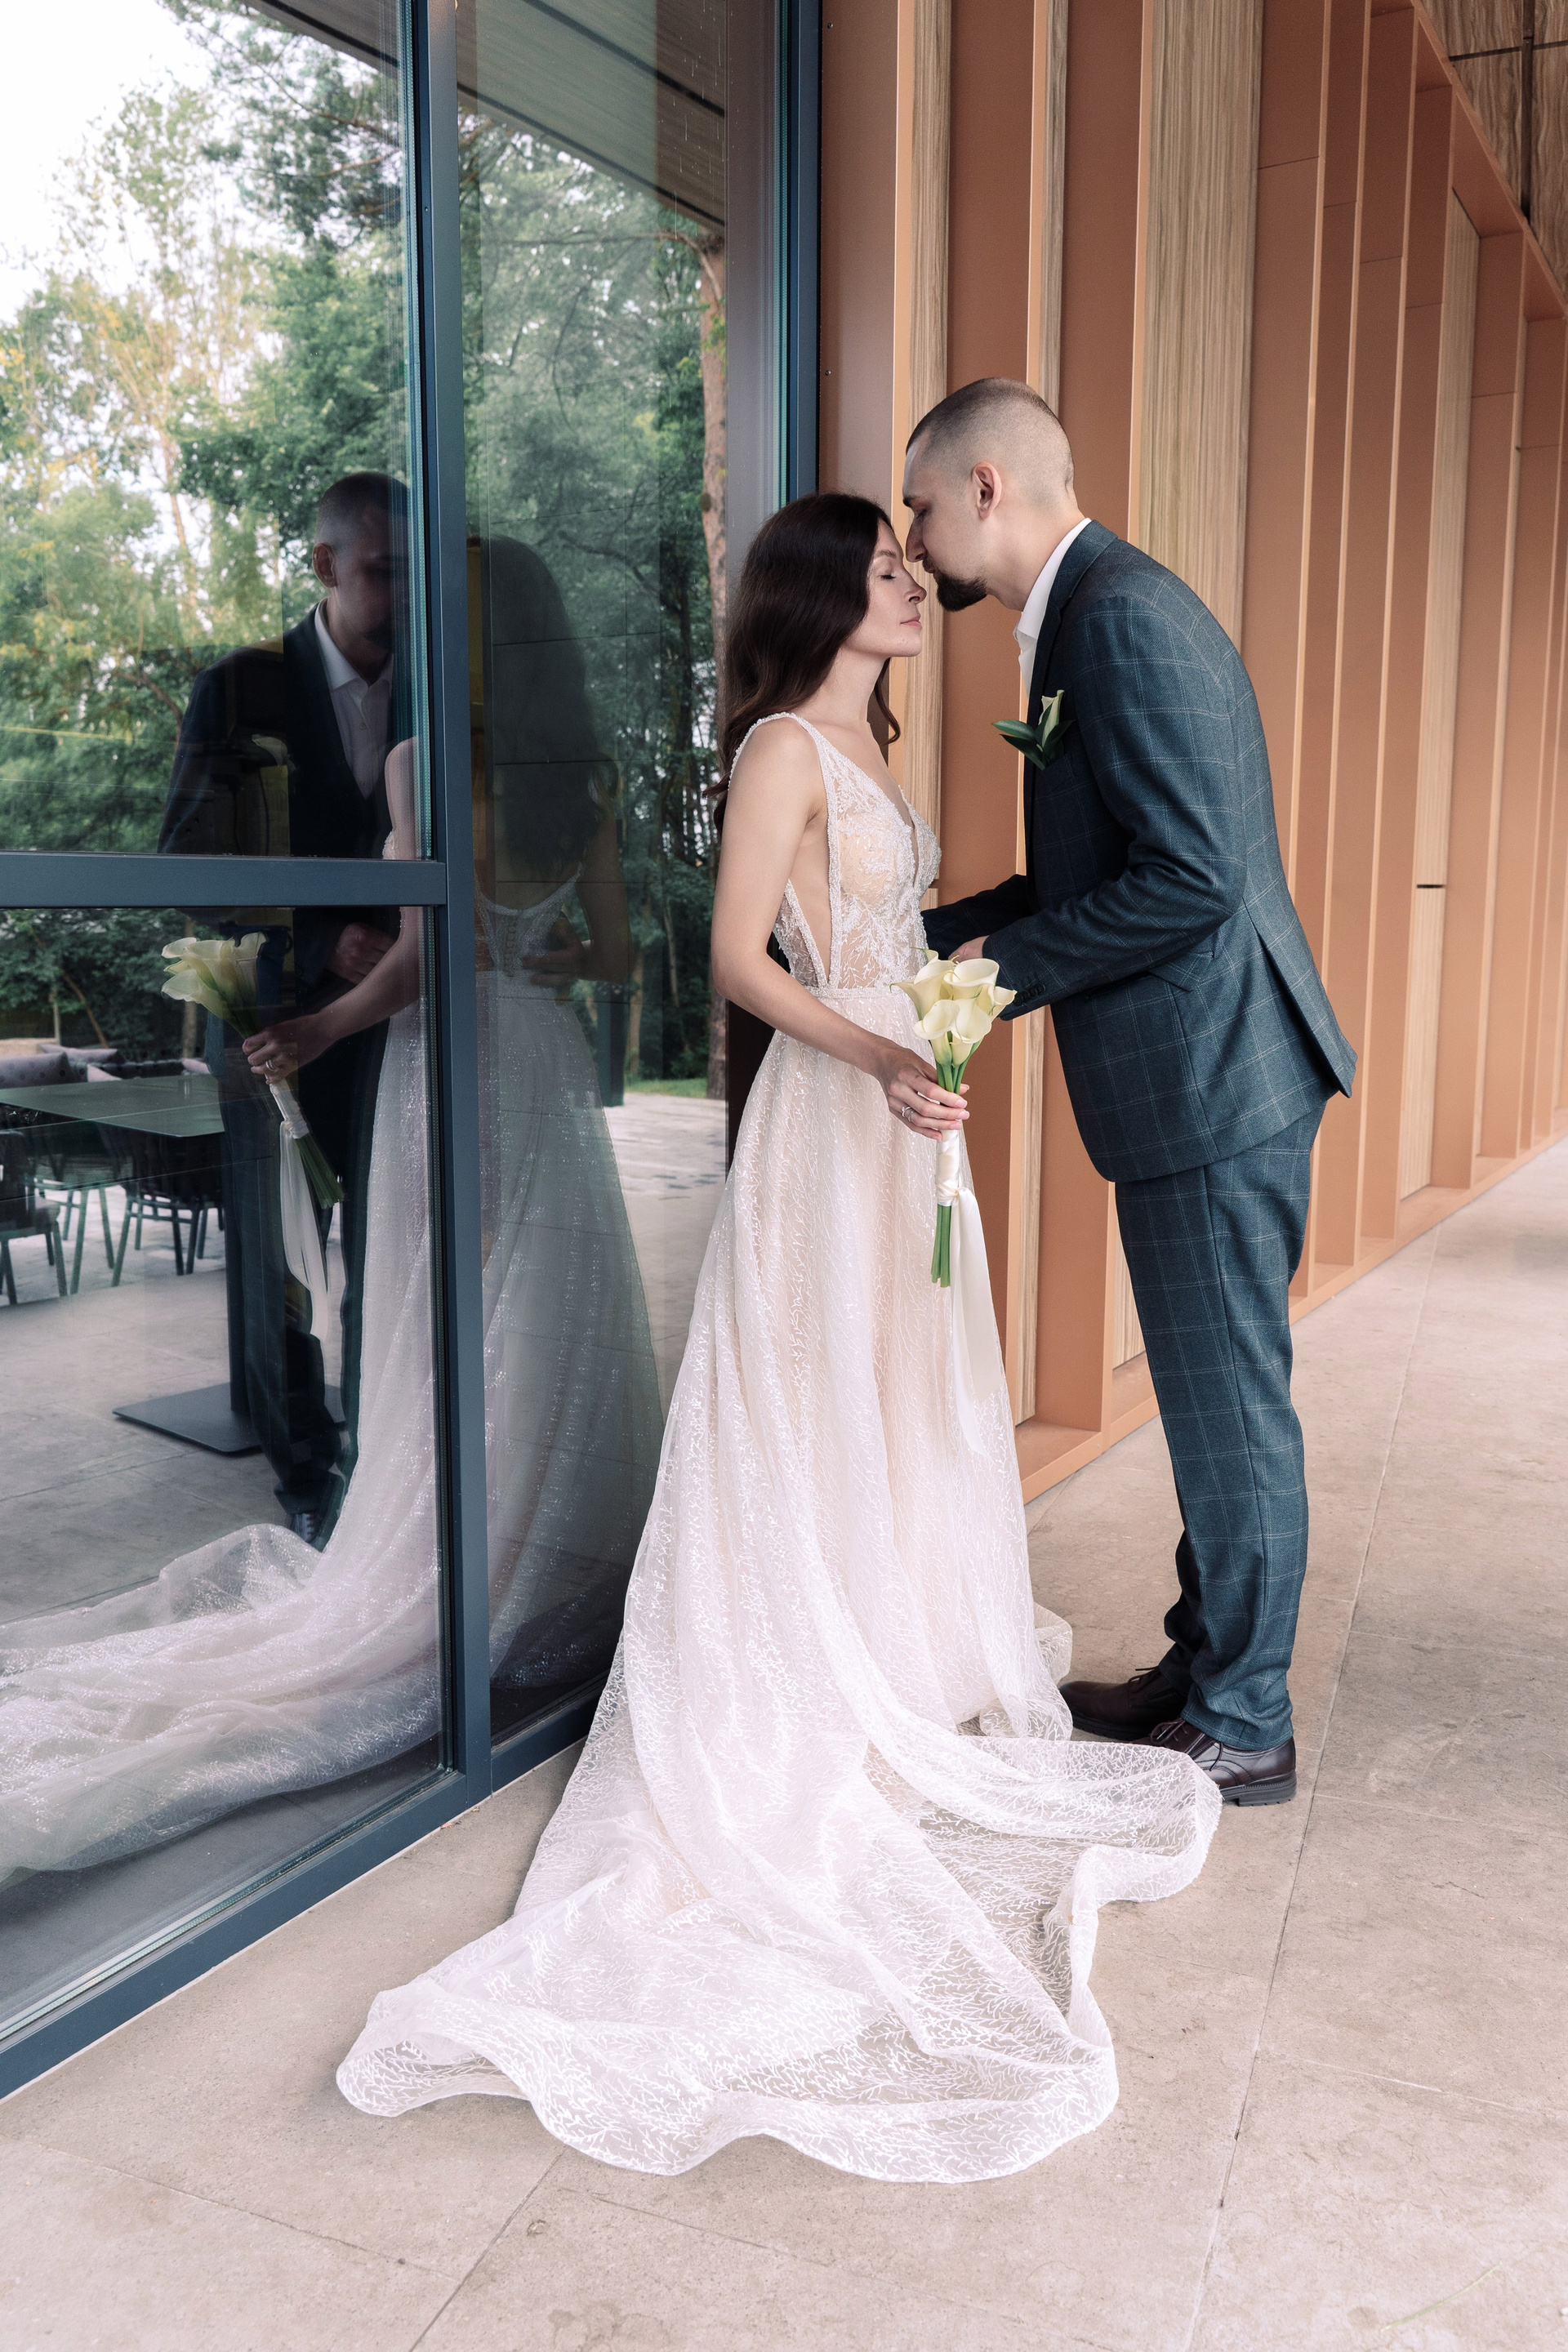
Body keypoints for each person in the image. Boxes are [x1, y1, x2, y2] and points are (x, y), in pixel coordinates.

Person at [334, 492, 1218, 2185]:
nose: (913, 584)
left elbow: (892, 936)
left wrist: (935, 1016)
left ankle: (895, 1637)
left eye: (909, 562)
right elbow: (743, 961)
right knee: (814, 1391)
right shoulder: (778, 751)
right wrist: (881, 1050)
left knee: (899, 1387)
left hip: (897, 1109)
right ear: (822, 592)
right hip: (834, 1114)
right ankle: (802, 1667)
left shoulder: (865, 745)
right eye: (885, 570)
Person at [0, 537, 662, 1874]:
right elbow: (613, 954)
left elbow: (418, 964)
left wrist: (313, 1027)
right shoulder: (580, 779)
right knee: (539, 1323)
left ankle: (446, 1567)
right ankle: (534, 1567)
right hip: (538, 1068)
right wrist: (539, 954)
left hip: (447, 1071)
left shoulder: (422, 764)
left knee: (434, 1329)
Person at [902, 378, 1356, 1806]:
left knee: (1231, 1410)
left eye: (920, 504)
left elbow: (1193, 879)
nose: (911, 539)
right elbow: (1099, 872)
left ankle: (1245, 1721)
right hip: (1211, 1072)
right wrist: (916, 939)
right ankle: (1203, 1665)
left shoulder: (1119, 620)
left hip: (1216, 1080)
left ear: (986, 487)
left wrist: (989, 977)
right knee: (1219, 1402)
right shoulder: (1089, 616)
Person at [160, 472, 411, 1542]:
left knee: (392, 1243)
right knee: (280, 1268)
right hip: (274, 1026)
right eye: (383, 573)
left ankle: (384, 1464)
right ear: (325, 566)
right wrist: (319, 940)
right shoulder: (239, 690)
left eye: (416, 576)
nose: (404, 598)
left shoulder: (436, 688)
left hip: (400, 1028)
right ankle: (306, 1484)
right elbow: (187, 868)